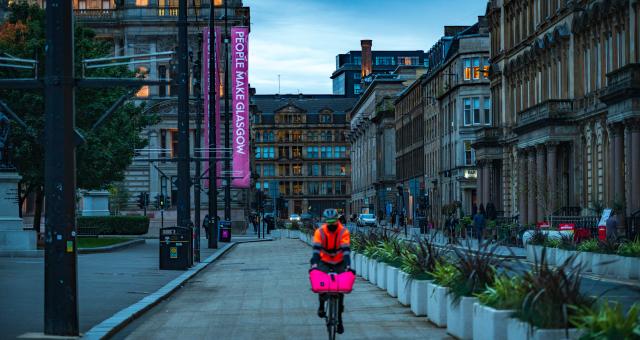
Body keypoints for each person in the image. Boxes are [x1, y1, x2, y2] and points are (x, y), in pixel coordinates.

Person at [311, 208, 351, 334]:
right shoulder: (320, 232)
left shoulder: (343, 231)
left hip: (339, 260)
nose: (331, 224)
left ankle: (339, 320)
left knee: (340, 288)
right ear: (325, 221)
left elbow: (346, 249)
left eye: (334, 221)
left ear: (337, 220)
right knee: (321, 282)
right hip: (324, 260)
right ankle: (322, 306)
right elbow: (316, 249)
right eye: (329, 221)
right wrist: (315, 263)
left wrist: (348, 264)